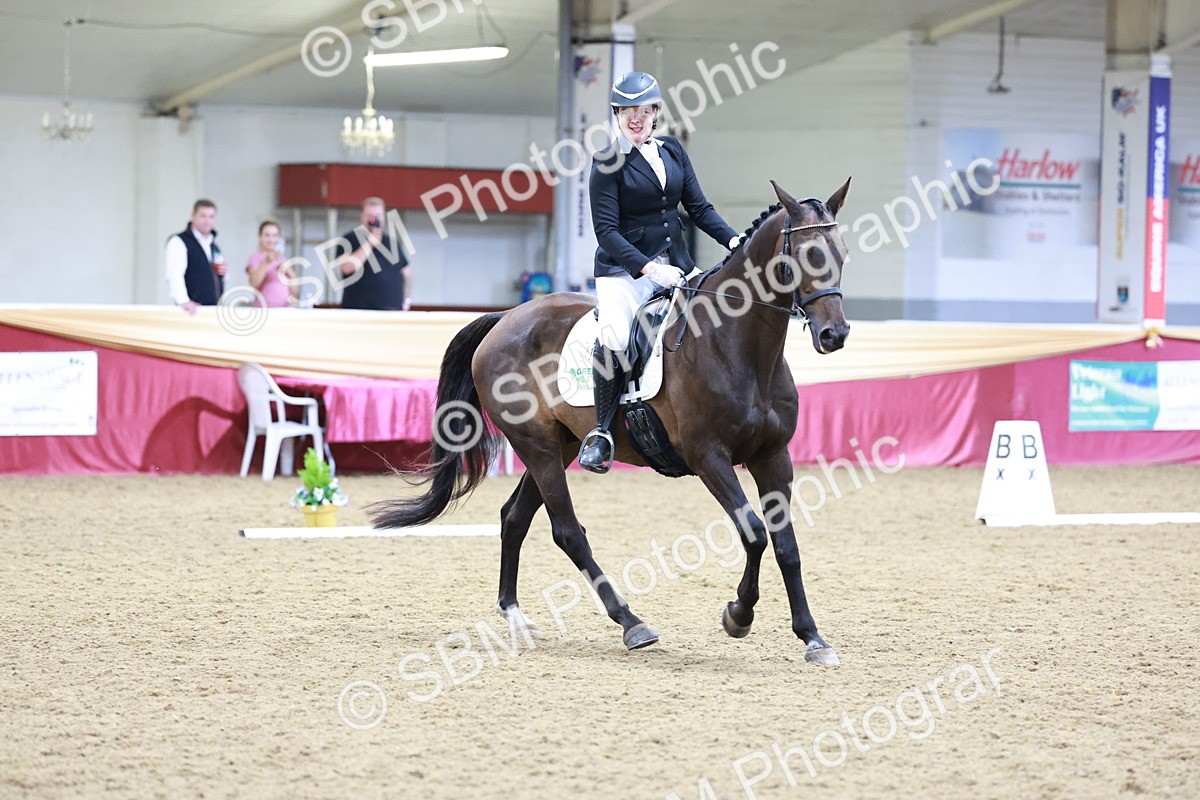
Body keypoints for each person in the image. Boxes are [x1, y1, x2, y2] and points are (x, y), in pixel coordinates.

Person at [578, 71, 742, 474]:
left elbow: (699, 208)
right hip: (625, 272)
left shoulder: (672, 151)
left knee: (720, 315)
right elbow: (607, 231)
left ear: (655, 113)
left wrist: (736, 242)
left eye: (644, 111)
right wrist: (648, 268)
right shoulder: (606, 162)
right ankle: (601, 432)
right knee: (616, 333)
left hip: (678, 266)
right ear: (617, 115)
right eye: (628, 112)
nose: (637, 118)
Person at [335, 197, 412, 311]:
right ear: (362, 217)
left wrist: (406, 300)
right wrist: (369, 244)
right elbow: (347, 268)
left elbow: (406, 273)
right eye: (369, 216)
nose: (374, 219)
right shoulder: (348, 240)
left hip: (391, 309)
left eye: (378, 216)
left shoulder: (391, 242)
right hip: (358, 309)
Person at [165, 199, 226, 314]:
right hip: (191, 311)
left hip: (213, 310)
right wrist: (183, 301)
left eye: (211, 217)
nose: (207, 221)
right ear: (192, 216)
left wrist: (224, 273)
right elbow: (174, 274)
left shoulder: (214, 246)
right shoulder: (179, 241)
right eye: (203, 216)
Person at [245, 220, 297, 308]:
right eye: (267, 235)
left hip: (283, 310)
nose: (271, 239)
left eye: (274, 235)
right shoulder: (255, 258)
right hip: (263, 310)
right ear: (260, 237)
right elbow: (254, 282)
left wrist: (291, 274)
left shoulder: (283, 259)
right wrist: (266, 262)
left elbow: (294, 290)